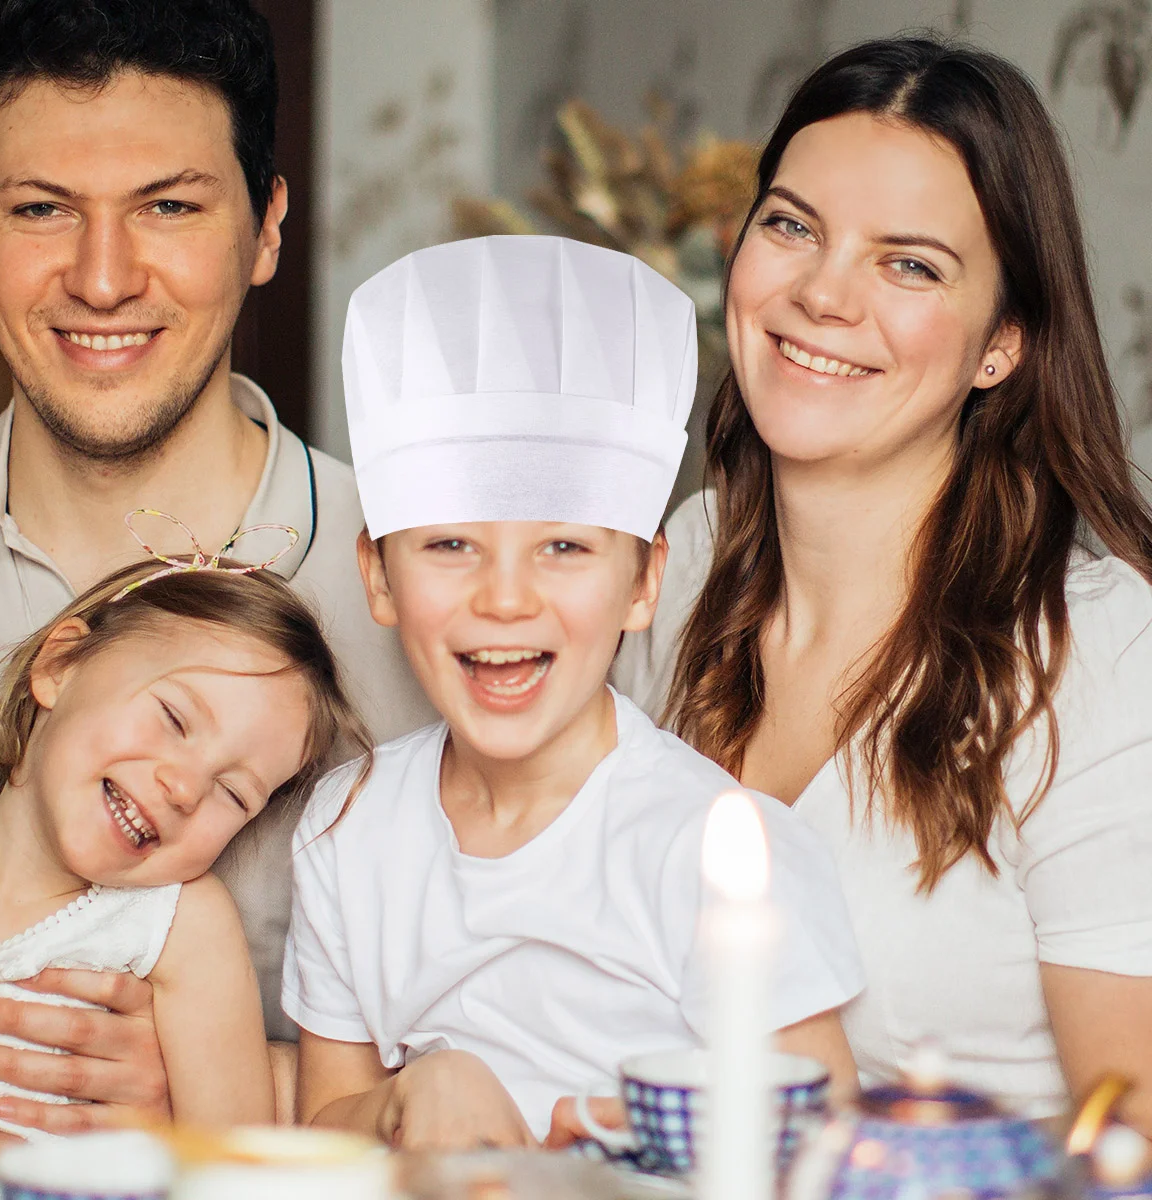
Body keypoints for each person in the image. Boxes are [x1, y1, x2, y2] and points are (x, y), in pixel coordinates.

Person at [609, 36, 1152, 1131]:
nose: (820, 294)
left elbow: (1132, 1132)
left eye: (909, 264)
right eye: (792, 226)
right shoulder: (684, 561)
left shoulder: (1104, 657)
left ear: (1002, 343)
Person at [0, 0, 432, 1159]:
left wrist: (236, 1079)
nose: (104, 280)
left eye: (169, 206)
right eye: (39, 210)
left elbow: (585, 1023)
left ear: (266, 228)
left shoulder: (440, 597)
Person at [284, 234, 864, 1150]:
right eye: (448, 545)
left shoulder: (710, 847)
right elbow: (326, 1120)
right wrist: (424, 1092)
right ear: (379, 576)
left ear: (643, 582)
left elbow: (822, 1137)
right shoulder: (346, 826)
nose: (505, 597)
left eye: (564, 546)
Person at [0, 520, 368, 1141]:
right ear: (60, 664)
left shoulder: (182, 927)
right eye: (174, 718)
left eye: (233, 793)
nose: (184, 788)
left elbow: (229, 1167)